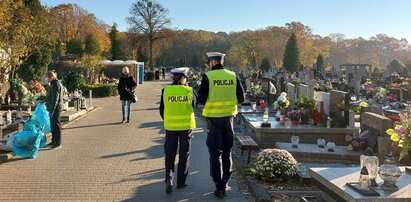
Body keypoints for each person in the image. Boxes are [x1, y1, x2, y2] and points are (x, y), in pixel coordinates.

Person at [198, 52, 245, 198]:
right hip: (229, 119)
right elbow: (241, 97)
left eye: (209, 62)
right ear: (222, 61)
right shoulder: (232, 75)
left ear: (212, 62)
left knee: (215, 153)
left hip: (213, 120)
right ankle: (225, 182)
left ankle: (219, 185)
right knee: (227, 151)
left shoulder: (208, 76)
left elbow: (201, 98)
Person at [159, 67, 196, 194]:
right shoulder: (189, 91)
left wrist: (168, 119)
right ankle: (181, 182)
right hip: (185, 127)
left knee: (170, 154)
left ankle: (169, 179)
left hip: (170, 127)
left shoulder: (166, 90)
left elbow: (161, 110)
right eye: (185, 77)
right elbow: (194, 106)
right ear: (182, 78)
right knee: (184, 154)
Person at [46, 71, 64, 149]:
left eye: (48, 77)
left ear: (52, 77)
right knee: (53, 125)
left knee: (56, 125)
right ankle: (53, 141)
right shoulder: (54, 84)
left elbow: (55, 99)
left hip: (56, 108)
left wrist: (52, 110)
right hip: (54, 107)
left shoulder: (55, 84)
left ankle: (58, 143)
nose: (47, 79)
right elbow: (51, 97)